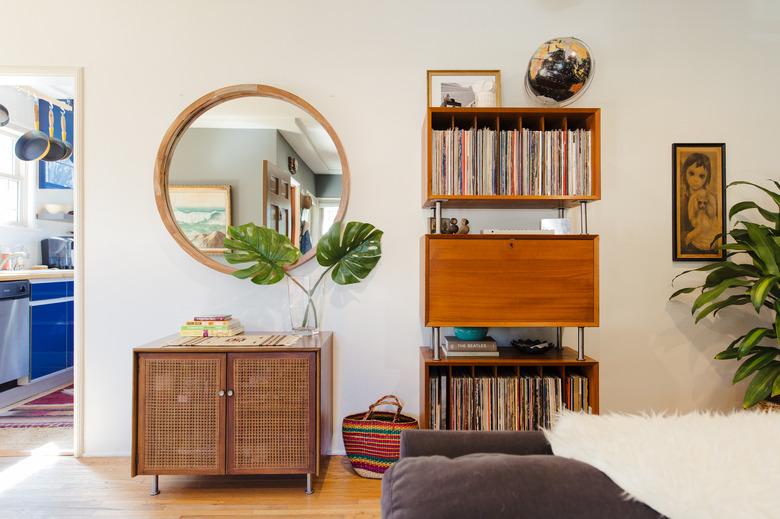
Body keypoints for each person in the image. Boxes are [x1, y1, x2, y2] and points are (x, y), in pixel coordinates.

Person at [680, 152, 719, 253]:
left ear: (707, 178)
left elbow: (711, 221)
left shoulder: (707, 197)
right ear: (685, 173)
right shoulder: (683, 199)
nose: (696, 180)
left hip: (706, 242)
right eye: (692, 173)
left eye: (701, 176)